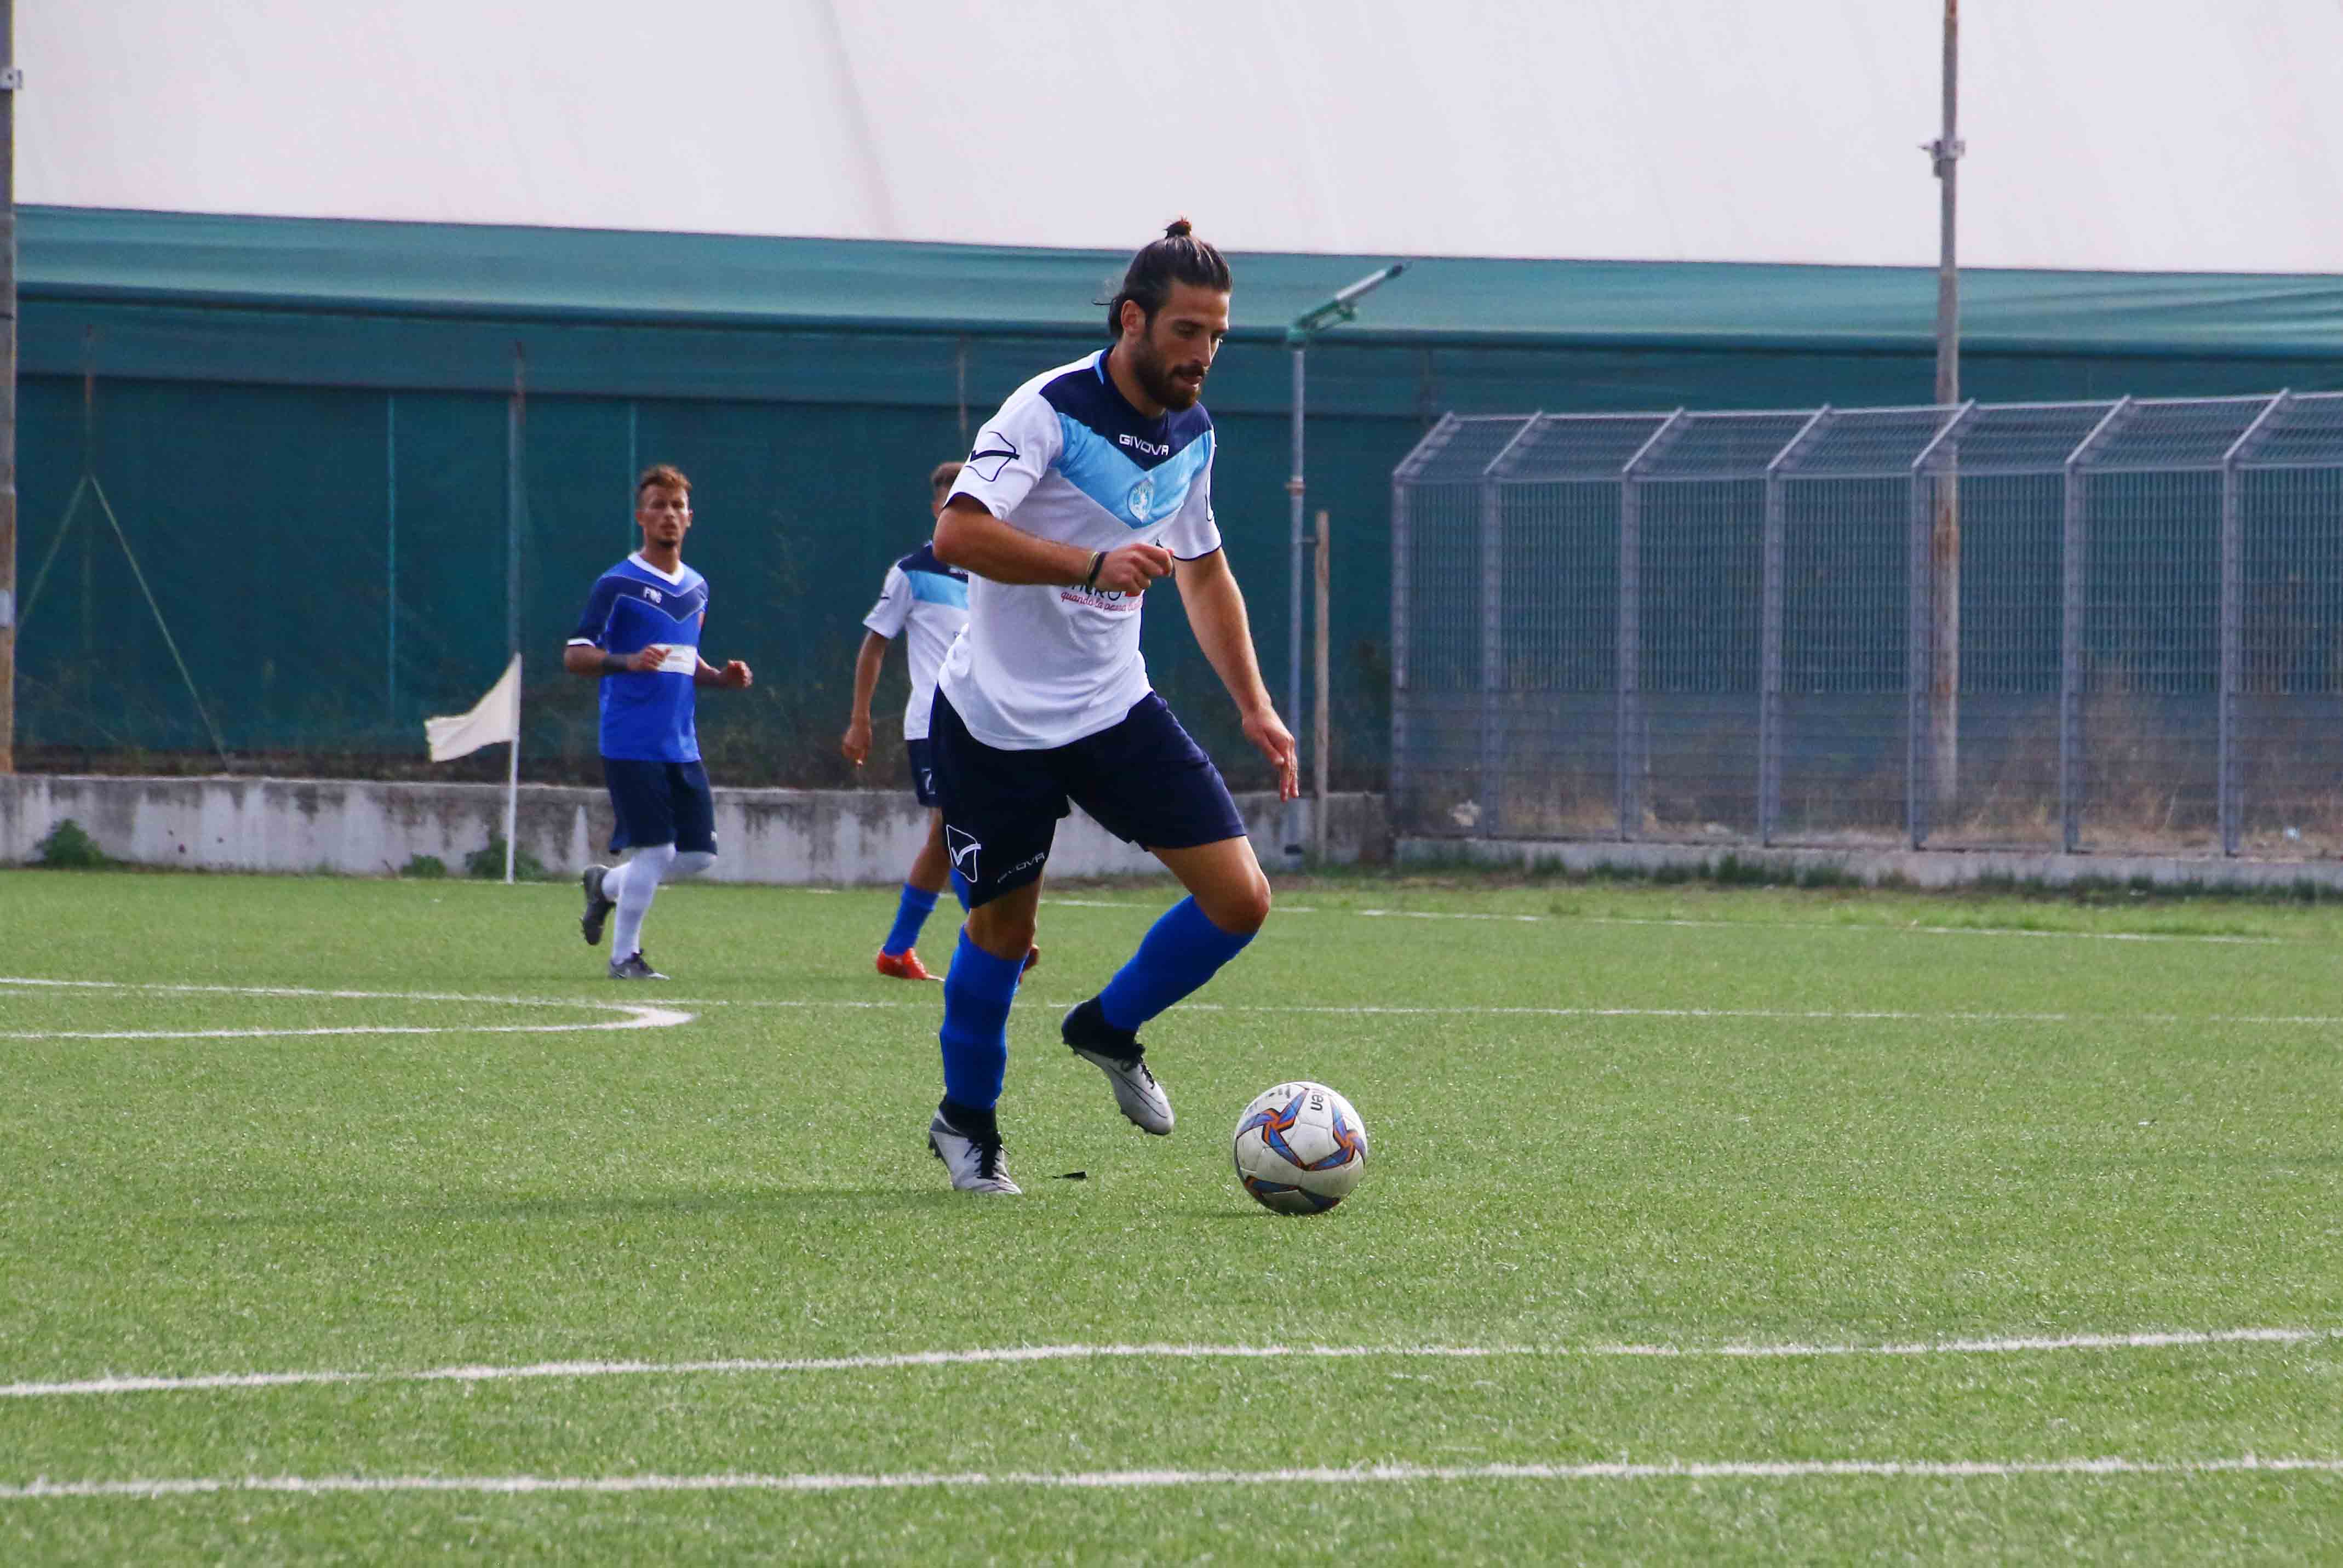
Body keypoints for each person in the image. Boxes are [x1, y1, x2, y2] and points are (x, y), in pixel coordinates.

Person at [923, 218, 1297, 1194]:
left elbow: (1205, 574)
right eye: (1186, 332)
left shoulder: (1193, 434)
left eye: (1217, 336)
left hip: (1112, 709)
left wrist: (1254, 705)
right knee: (1002, 936)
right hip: (997, 722)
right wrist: (1092, 561)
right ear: (1133, 320)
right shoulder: (1046, 409)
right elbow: (957, 535)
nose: (1203, 355)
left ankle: (1106, 1026)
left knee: (1240, 898)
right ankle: (966, 1126)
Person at [566, 463, 753, 979]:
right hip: (631, 739)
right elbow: (575, 654)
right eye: (658, 506)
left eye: (677, 507)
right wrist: (626, 661)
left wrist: (719, 678)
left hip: (681, 742)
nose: (668, 515)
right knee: (657, 848)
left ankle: (604, 886)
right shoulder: (617, 583)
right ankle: (625, 957)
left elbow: (683, 658)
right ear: (641, 517)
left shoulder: (697, 588)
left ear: (690, 518)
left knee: (696, 858)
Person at [840, 462, 977, 981]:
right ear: (935, 509)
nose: (955, 511)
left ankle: (897, 950)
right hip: (933, 723)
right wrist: (860, 719)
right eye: (946, 502)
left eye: (964, 500)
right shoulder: (912, 571)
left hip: (989, 723)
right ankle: (992, 931)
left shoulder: (998, 570)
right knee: (954, 825)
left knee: (946, 836)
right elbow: (874, 647)